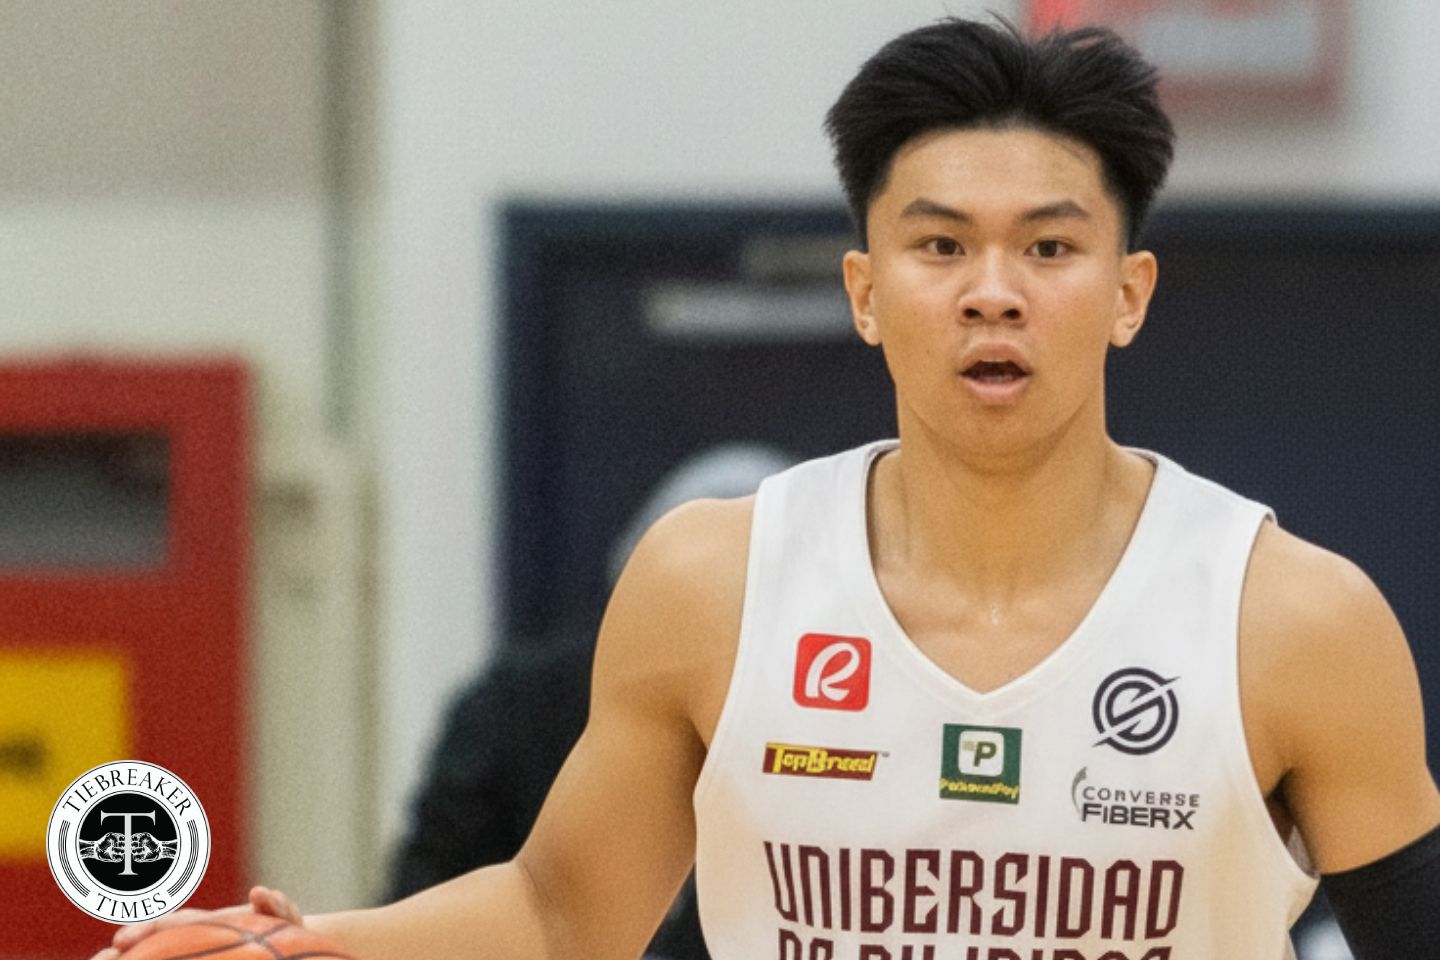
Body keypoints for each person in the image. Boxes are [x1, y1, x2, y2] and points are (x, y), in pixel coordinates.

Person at [99, 17, 1440, 960]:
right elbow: (563, 913)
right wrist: (309, 946)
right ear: (866, 292)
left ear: (1129, 294)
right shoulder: (715, 582)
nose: (993, 291)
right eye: (939, 246)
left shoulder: (1294, 621)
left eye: (1048, 247)